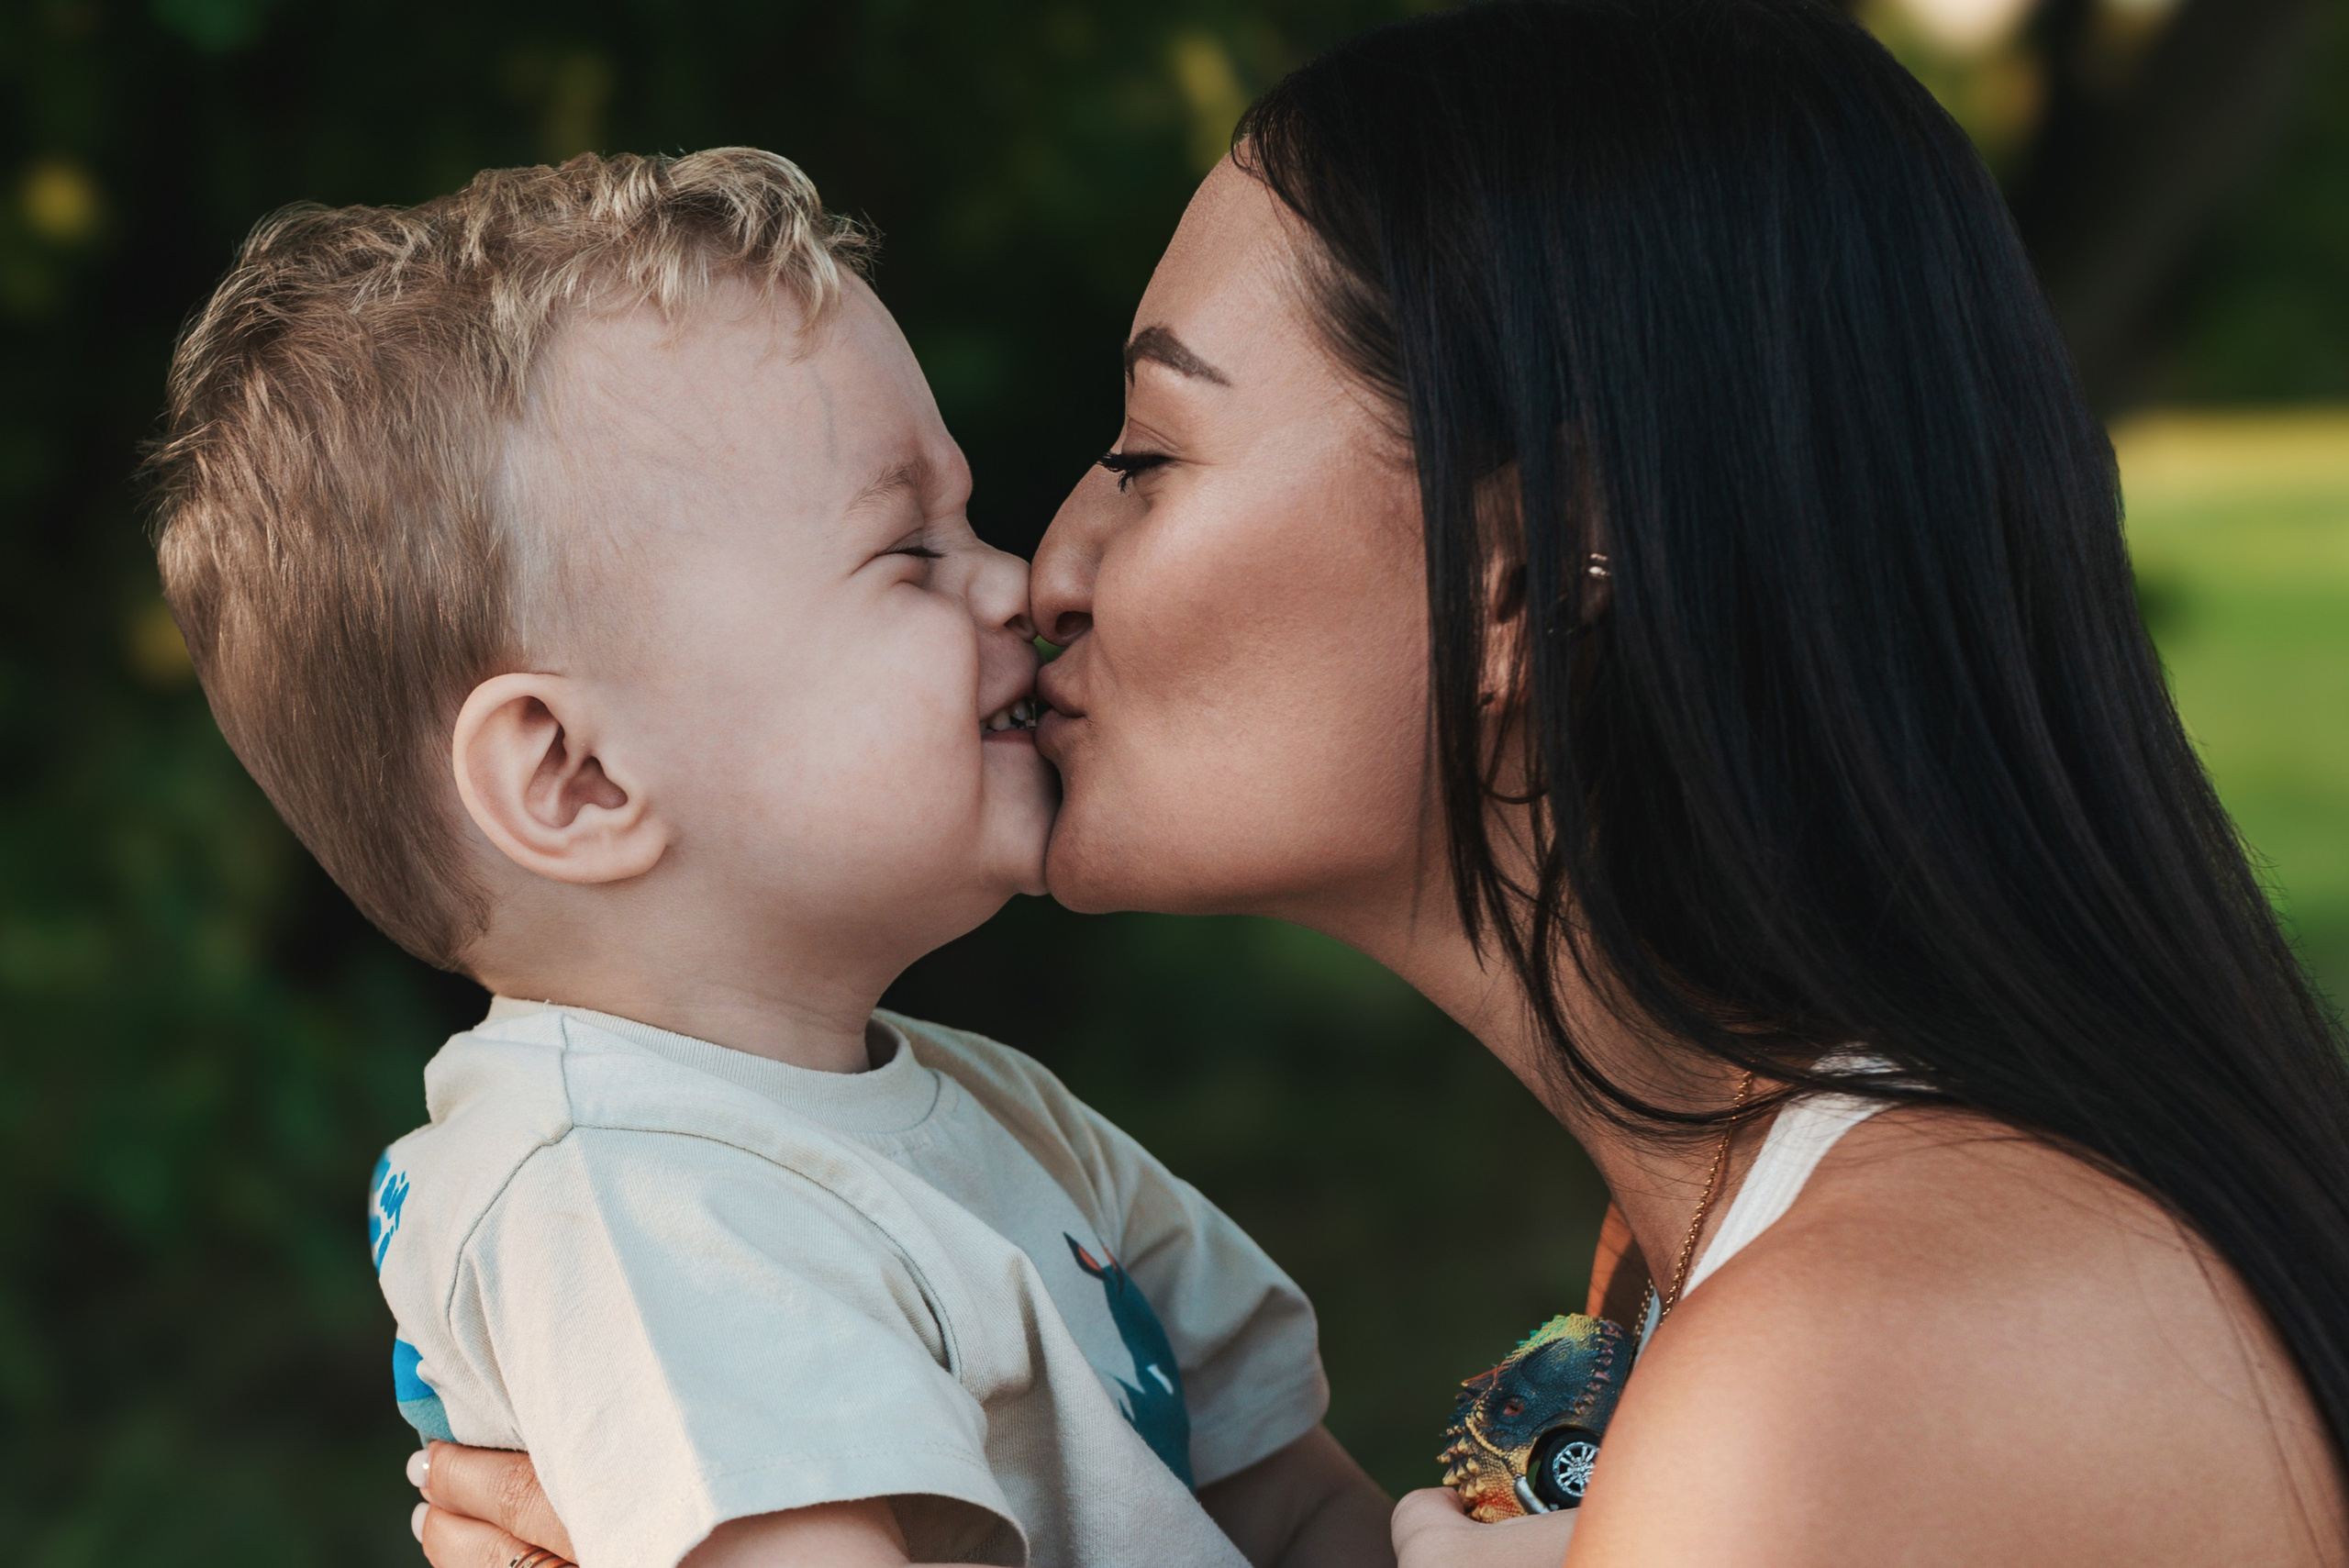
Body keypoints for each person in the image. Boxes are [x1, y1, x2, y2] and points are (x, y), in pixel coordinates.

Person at [415, 2, 2349, 1564]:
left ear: (1521, 572)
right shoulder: (1758, 1250)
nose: (1044, 569)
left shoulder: (1861, 1365)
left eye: (1145, 456)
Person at [146, 150, 1395, 1568]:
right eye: (907, 552)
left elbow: (1301, 1513)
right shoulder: (623, 1201)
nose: (1017, 582)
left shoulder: (992, 1112)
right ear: (574, 774)